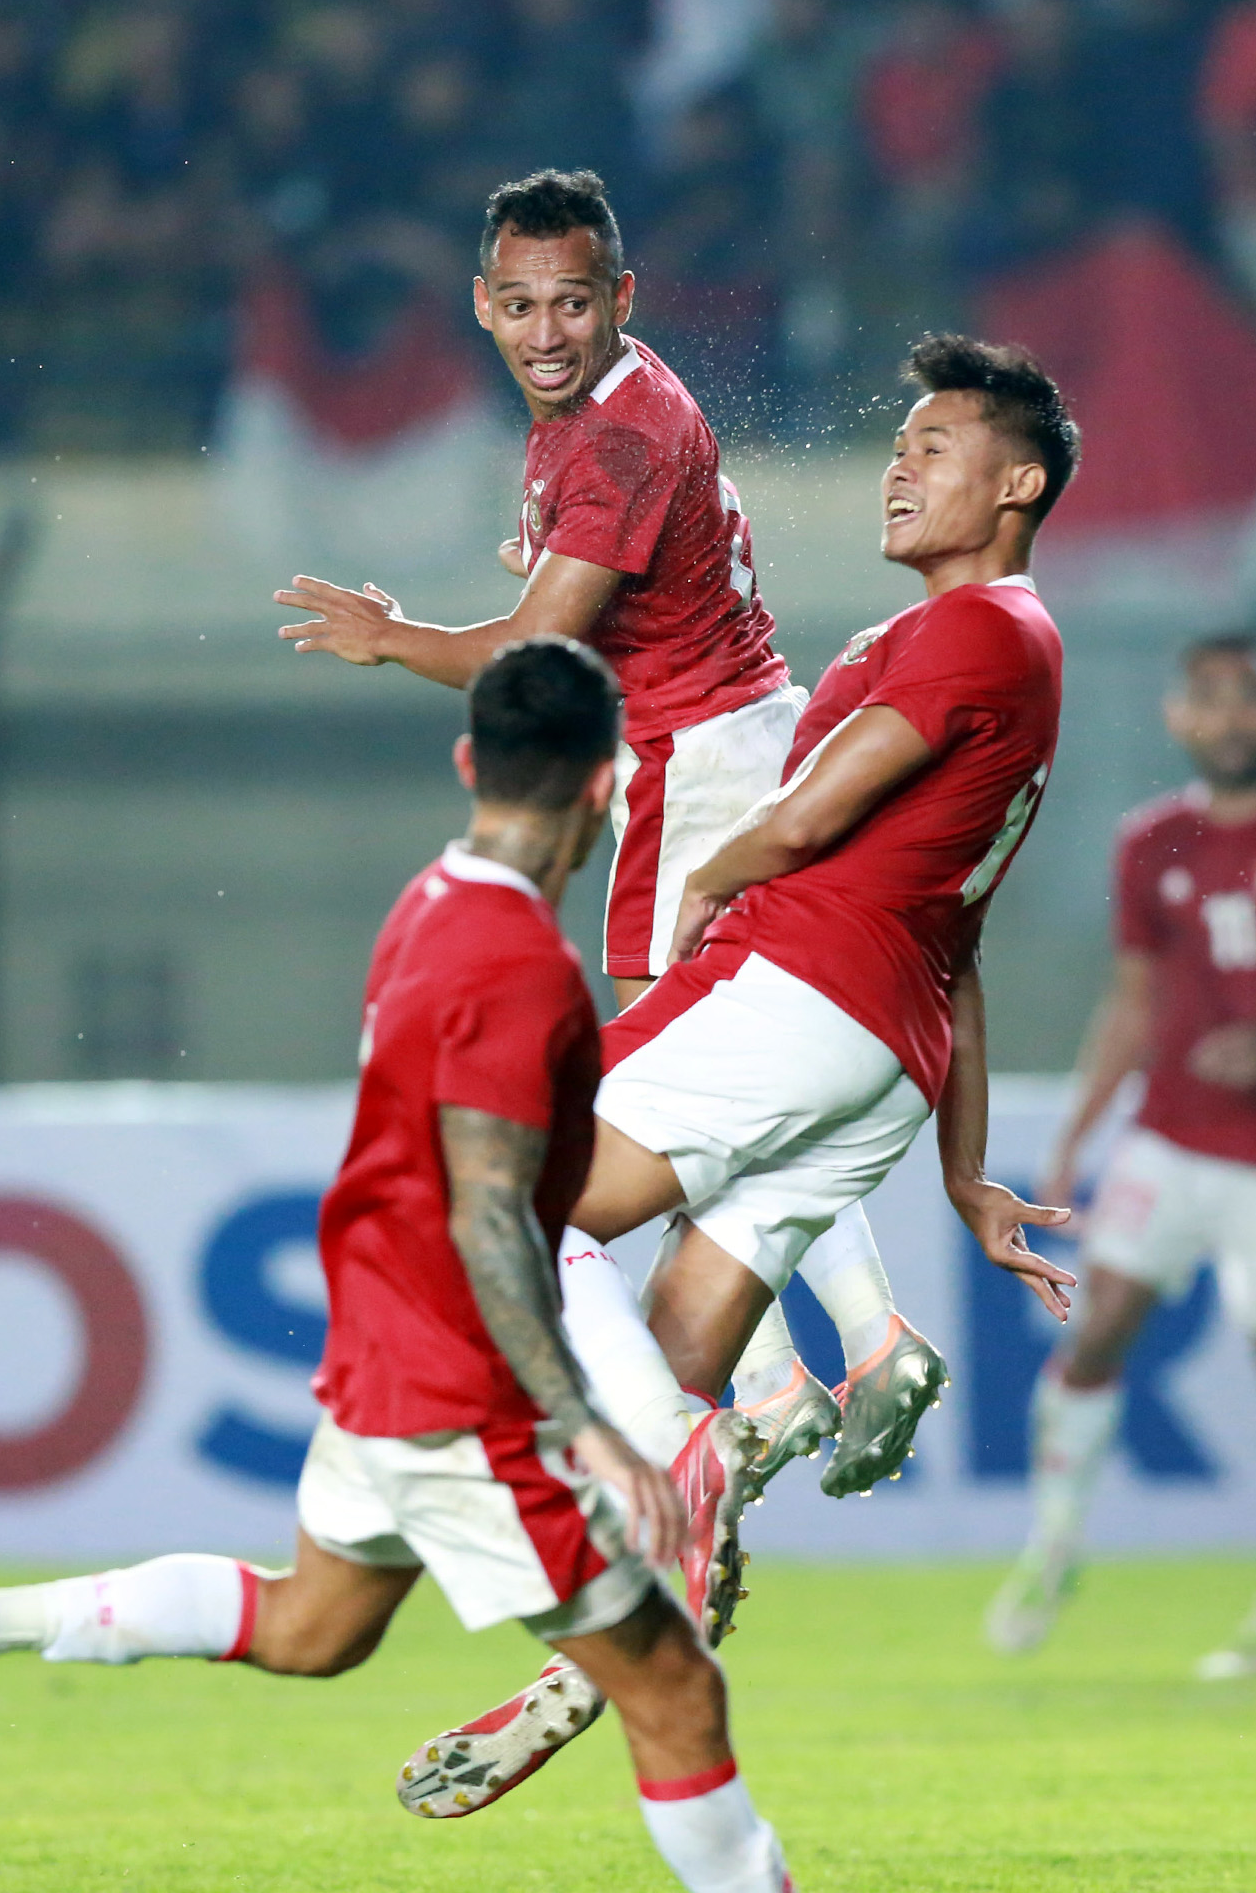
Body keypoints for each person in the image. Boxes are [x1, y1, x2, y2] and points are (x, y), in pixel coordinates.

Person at [0, 640, 802, 1889]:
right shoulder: (519, 968)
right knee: (676, 1696)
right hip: (462, 1399)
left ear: (466, 761)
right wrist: (587, 1423)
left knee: (310, 1626)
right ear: (610, 785)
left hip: (381, 1353)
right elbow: (489, 1215)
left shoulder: (429, 902)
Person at [412, 332, 1086, 1808]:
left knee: (496, 1210)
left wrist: (711, 881)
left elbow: (804, 822)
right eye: (899, 442)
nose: (900, 466)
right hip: (882, 1051)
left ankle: (695, 1475)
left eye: (935, 445)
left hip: (793, 986)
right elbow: (956, 946)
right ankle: (594, 1659)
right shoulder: (998, 649)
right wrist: (961, 1169)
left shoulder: (973, 634)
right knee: (680, 1334)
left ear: (1019, 482)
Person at [271, 167, 938, 1505]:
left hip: (695, 774)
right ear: (481, 308)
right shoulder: (602, 420)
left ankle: (803, 1374)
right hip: (741, 742)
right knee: (727, 1080)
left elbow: (535, 650)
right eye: (520, 305)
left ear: (621, 299)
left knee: (676, 1091)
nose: (546, 331)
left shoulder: (616, 441)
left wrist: (393, 639)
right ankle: (843, 1355)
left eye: (572, 303)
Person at [988, 634, 1256, 1678]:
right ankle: (1051, 1545)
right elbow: (1132, 997)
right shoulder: (1152, 841)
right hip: (1169, 1135)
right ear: (1180, 718)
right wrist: (1080, 1132)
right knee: (1096, 1333)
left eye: (1246, 698)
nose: (1227, 718)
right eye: (1208, 699)